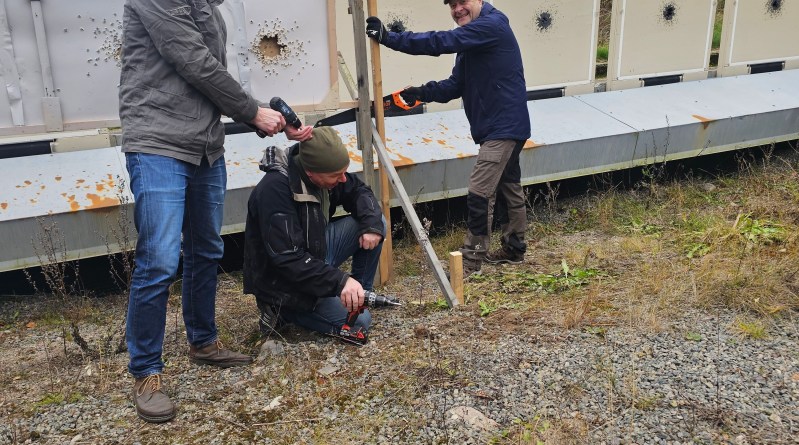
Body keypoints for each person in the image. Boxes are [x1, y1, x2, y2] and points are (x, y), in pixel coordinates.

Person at [118, 0, 313, 423]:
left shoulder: (209, 7)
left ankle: (203, 341)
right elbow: (194, 62)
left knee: (206, 250)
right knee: (160, 259)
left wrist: (269, 116)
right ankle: (146, 371)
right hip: (158, 142)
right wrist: (252, 112)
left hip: (206, 146)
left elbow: (210, 79)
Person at [366, 0, 530, 277]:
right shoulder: (474, 38)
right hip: (502, 126)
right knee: (508, 186)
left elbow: (441, 41)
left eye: (462, 2)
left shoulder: (491, 25)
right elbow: (456, 85)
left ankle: (470, 261)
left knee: (480, 189)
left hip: (503, 128)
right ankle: (514, 249)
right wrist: (419, 92)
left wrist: (389, 38)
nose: (457, 9)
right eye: (452, 5)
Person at [243, 126, 385, 344]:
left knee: (375, 223)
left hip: (313, 255)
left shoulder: (324, 174)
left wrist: (371, 226)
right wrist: (340, 280)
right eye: (336, 175)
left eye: (343, 172)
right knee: (359, 323)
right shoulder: (275, 191)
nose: (343, 180)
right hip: (285, 283)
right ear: (311, 173)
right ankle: (281, 312)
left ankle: (360, 296)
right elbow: (289, 260)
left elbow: (359, 191)